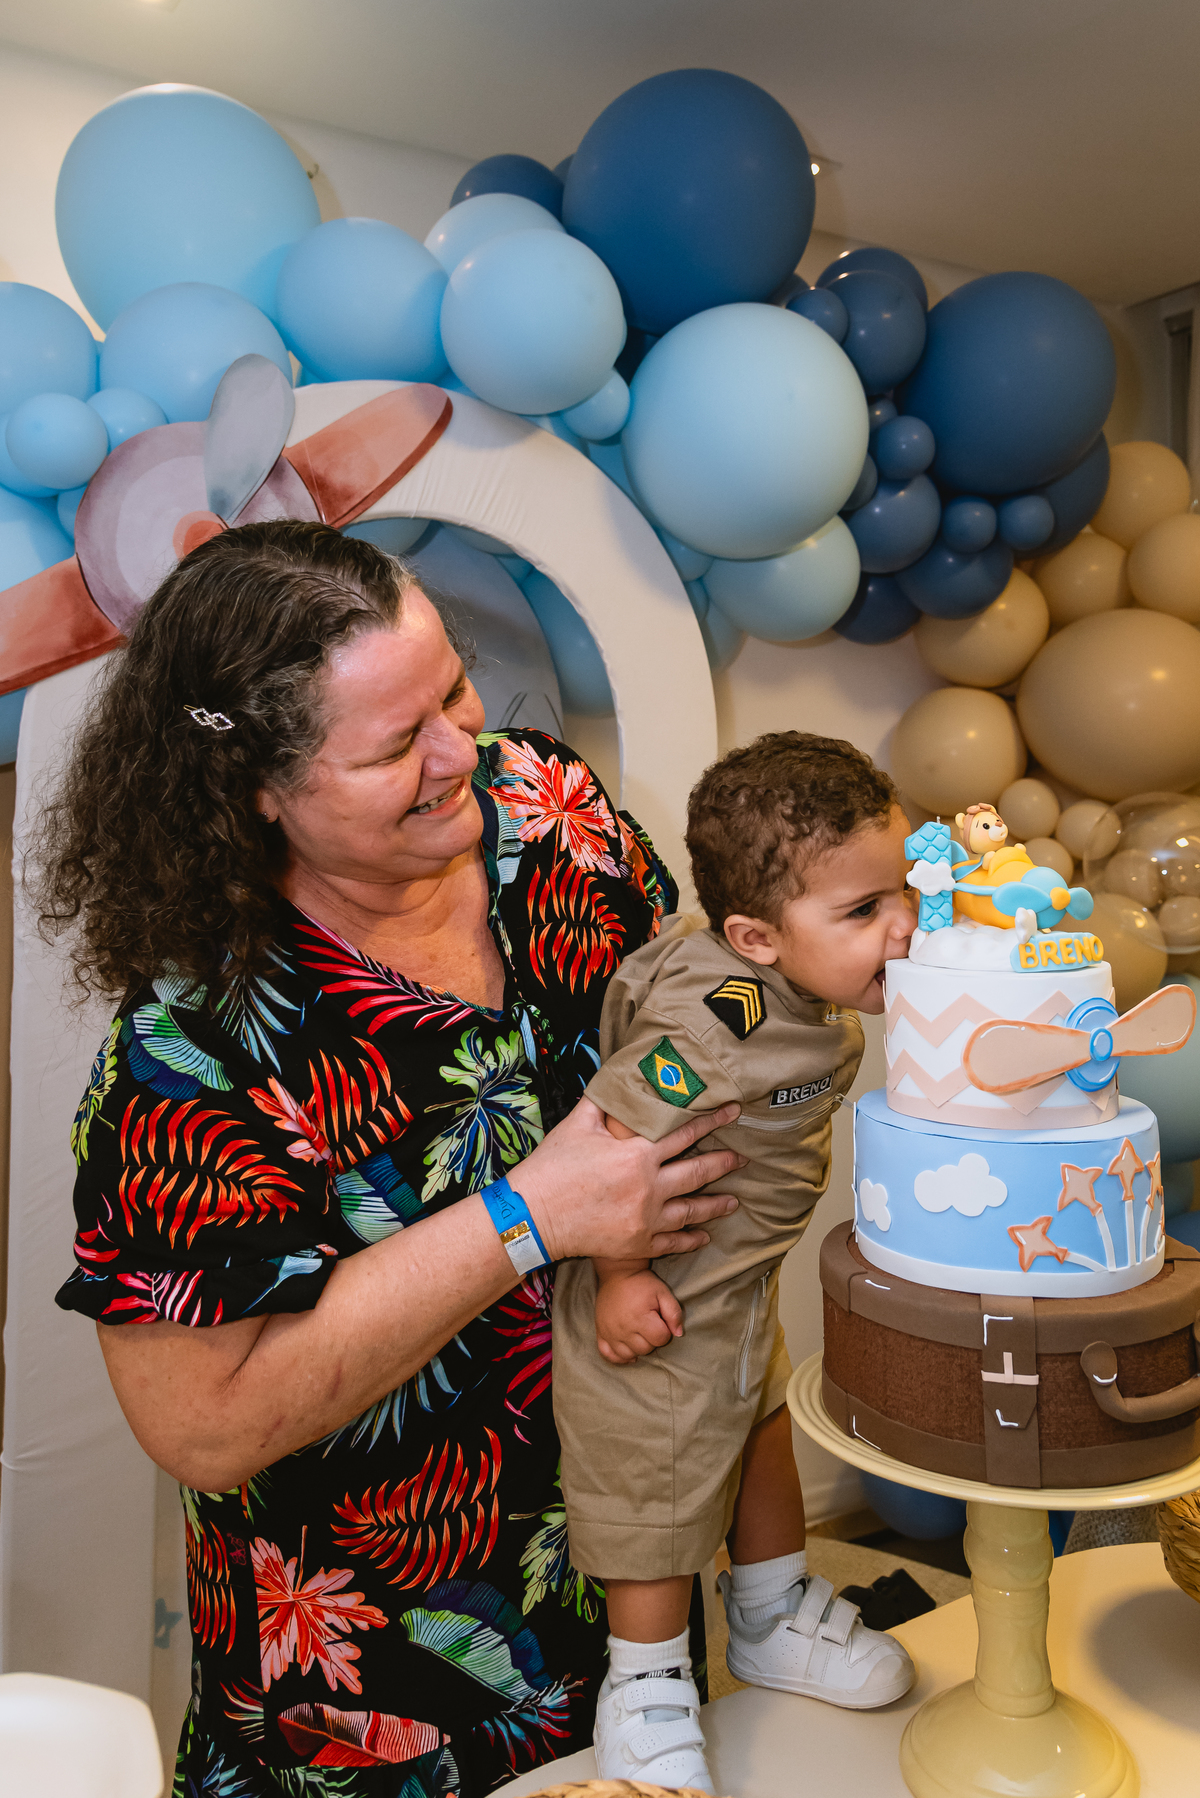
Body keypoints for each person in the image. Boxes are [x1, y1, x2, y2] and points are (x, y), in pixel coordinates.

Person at [42, 520, 745, 1798]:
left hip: (635, 1603)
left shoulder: (551, 810)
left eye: (454, 688)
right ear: (257, 789)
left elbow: (681, 1011)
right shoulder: (196, 1049)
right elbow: (204, 1429)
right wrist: (532, 1214)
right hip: (368, 1703)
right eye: (390, 746)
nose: (458, 754)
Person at [552, 733, 919, 1792]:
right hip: (662, 1297)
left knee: (761, 1436)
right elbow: (613, 1140)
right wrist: (622, 1276)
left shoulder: (800, 977)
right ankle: (648, 1680)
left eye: (898, 891)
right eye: (862, 913)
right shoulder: (719, 1025)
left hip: (735, 1285)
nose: (898, 925)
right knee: (656, 1497)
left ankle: (769, 1611)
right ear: (756, 937)